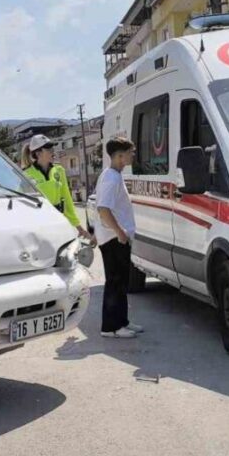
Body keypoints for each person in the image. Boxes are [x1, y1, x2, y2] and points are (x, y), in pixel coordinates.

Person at [94, 136, 138, 339]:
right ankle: (111, 327)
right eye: (130, 152)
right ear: (120, 156)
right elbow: (104, 209)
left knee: (121, 282)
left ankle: (122, 322)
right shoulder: (111, 178)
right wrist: (120, 233)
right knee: (116, 282)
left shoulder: (113, 175)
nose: (133, 155)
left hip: (116, 238)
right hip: (114, 239)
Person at [21, 134, 95, 243]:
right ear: (38, 153)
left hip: (58, 223)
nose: (53, 151)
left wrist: (79, 227)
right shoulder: (26, 175)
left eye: (52, 148)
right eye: (49, 149)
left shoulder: (59, 171)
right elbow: (22, 205)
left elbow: (67, 200)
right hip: (38, 227)